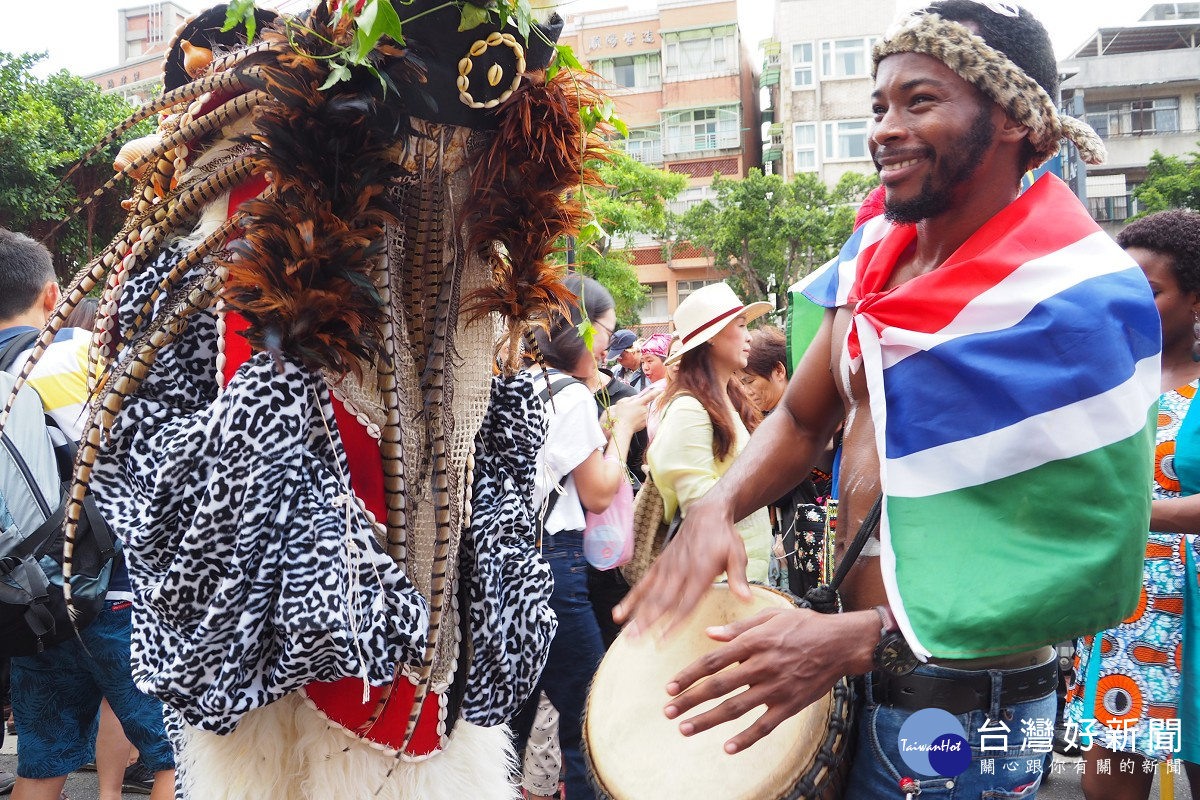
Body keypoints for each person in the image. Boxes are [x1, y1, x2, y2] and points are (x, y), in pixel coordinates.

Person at [10, 4, 617, 799]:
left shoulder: (478, 266)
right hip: (293, 705)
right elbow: (180, 525)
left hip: (433, 687)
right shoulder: (209, 265)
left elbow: (488, 497)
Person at [614, 3, 1159, 798]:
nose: (884, 129)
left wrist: (863, 638)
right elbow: (804, 418)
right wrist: (713, 508)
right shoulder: (873, 258)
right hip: (843, 674)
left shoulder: (1075, 296)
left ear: (1014, 119)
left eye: (921, 101)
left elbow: (1089, 557)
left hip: (962, 717)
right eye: (879, 106)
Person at [0, 229, 175, 800]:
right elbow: (140, 461)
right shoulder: (76, 350)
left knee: (41, 765)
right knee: (176, 753)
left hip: (27, 602)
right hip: (111, 587)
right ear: (52, 295)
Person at [1066, 209, 1200, 800]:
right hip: (1128, 610)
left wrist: (1142, 513)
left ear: (1196, 300)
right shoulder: (1108, 382)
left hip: (1193, 609)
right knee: (1108, 784)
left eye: (1152, 292)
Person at [514, 274, 656, 800]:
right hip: (559, 563)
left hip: (521, 560)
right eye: (607, 332)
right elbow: (597, 492)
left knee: (517, 713)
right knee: (589, 712)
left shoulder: (526, 383)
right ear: (585, 331)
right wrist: (619, 428)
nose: (609, 346)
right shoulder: (569, 393)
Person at [646, 282, 772, 585]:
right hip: (718, 586)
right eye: (741, 325)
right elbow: (700, 511)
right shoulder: (689, 409)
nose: (750, 335)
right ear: (712, 337)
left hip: (744, 582)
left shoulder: (727, 400)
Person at [739, 326, 834, 597]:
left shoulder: (808, 419)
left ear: (779, 371)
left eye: (749, 381)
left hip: (818, 543)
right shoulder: (778, 420)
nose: (746, 392)